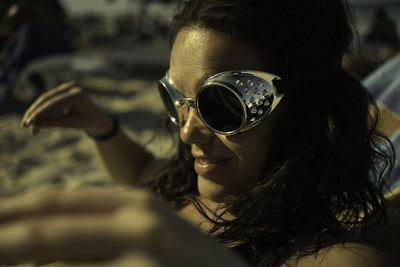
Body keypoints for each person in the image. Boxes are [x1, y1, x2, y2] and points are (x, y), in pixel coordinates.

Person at [0, 0, 397, 266]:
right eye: (174, 98)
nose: (188, 132)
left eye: (222, 103)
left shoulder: (334, 258)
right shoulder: (195, 179)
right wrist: (102, 127)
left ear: (308, 110)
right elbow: (139, 170)